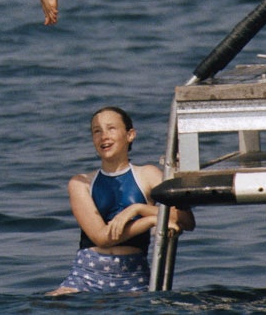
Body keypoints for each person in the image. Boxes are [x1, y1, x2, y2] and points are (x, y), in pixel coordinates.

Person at [47, 106, 195, 296]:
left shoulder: (148, 175)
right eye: (97, 131)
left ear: (130, 135)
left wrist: (137, 209)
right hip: (86, 277)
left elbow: (186, 220)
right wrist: (151, 220)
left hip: (134, 278)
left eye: (111, 128)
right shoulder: (81, 183)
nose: (104, 136)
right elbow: (102, 237)